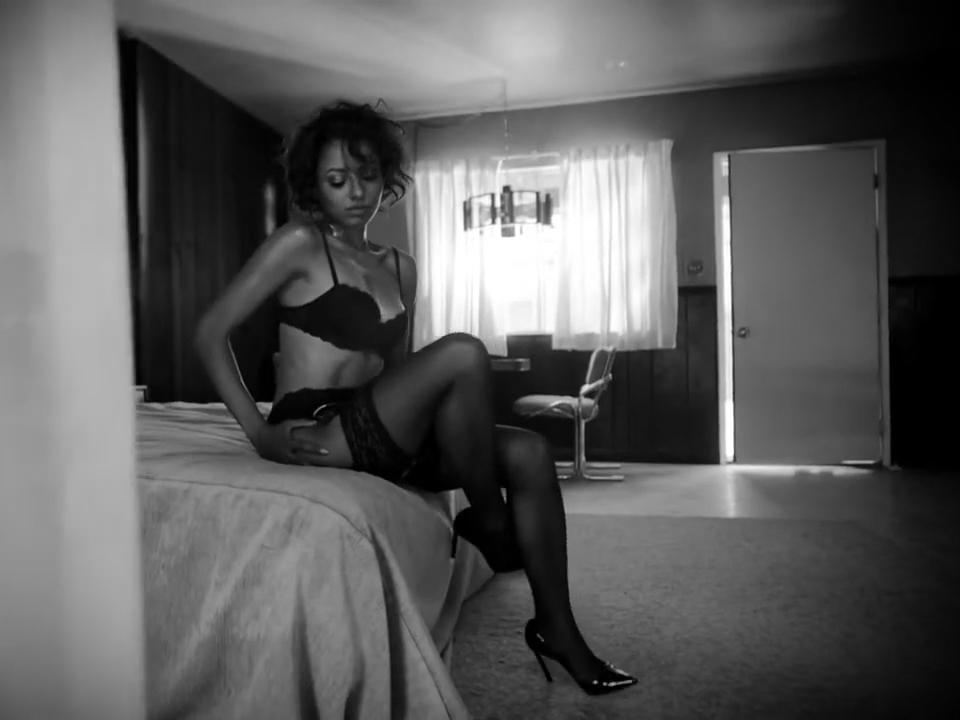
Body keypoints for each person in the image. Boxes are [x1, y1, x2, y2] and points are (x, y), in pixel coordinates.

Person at [193, 100, 637, 696]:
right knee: (462, 350)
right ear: (314, 186)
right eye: (337, 179)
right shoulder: (299, 243)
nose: (356, 192)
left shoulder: (402, 267)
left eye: (367, 174)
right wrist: (259, 433)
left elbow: (400, 373)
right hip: (320, 426)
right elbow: (209, 333)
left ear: (386, 176)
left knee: (529, 452)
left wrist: (430, 423)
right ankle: (492, 522)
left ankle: (559, 630)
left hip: (378, 426)